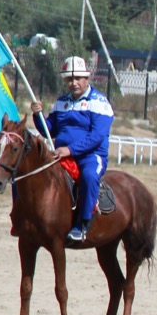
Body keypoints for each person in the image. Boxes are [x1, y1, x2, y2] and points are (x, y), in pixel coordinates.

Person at [29, 56, 114, 243]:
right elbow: (48, 130)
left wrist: (70, 150)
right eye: (70, 79)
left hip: (91, 156)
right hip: (61, 154)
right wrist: (38, 115)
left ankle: (82, 225)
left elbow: (96, 136)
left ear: (87, 78)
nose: (73, 83)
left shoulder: (100, 102)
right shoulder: (61, 103)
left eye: (77, 79)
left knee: (90, 176)